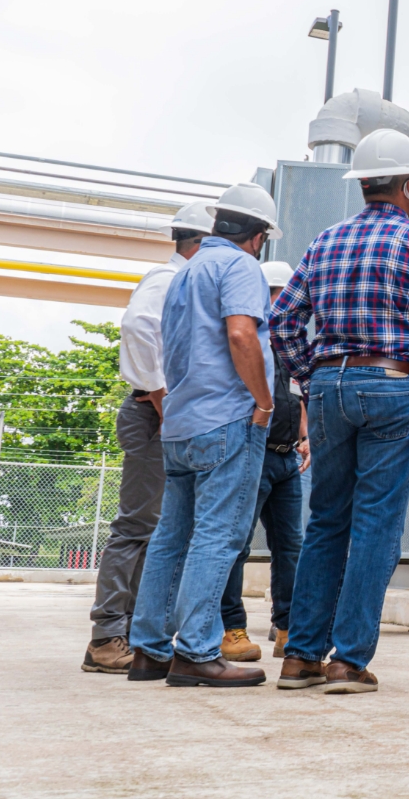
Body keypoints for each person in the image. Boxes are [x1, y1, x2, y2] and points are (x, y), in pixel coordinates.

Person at [271, 129, 409, 694]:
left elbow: (282, 321)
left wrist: (311, 377)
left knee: (327, 520)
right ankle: (348, 661)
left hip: (330, 386)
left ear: (363, 186)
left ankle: (301, 656)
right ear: (408, 185)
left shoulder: (324, 242)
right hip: (393, 385)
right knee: (376, 523)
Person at [126, 182, 280, 688]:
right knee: (218, 536)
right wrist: (263, 401)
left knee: (171, 537)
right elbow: (240, 334)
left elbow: (163, 346)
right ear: (259, 236)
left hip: (182, 424)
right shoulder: (240, 267)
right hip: (226, 421)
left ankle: (148, 650)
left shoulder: (185, 273)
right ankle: (195, 651)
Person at [81, 201, 213, 674]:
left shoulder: (185, 281)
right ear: (199, 244)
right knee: (137, 526)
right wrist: (163, 401)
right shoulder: (169, 278)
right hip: (151, 415)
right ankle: (106, 636)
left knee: (158, 529)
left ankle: (131, 632)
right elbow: (138, 326)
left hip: (164, 415)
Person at [218, 261, 310, 663]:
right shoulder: (248, 341)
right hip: (251, 454)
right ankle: (231, 628)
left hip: (286, 458)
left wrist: (304, 434)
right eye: (278, 294)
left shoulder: (290, 344)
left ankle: (287, 628)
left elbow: (297, 394)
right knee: (235, 544)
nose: (285, 303)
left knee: (291, 546)